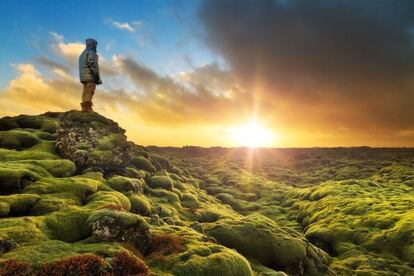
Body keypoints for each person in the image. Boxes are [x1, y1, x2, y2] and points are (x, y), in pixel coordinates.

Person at [78, 38, 102, 112]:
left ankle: (84, 107)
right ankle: (88, 108)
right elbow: (92, 64)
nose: (96, 46)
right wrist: (97, 77)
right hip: (90, 75)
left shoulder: (83, 53)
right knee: (90, 91)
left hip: (83, 76)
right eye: (95, 44)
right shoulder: (91, 52)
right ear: (93, 44)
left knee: (85, 91)